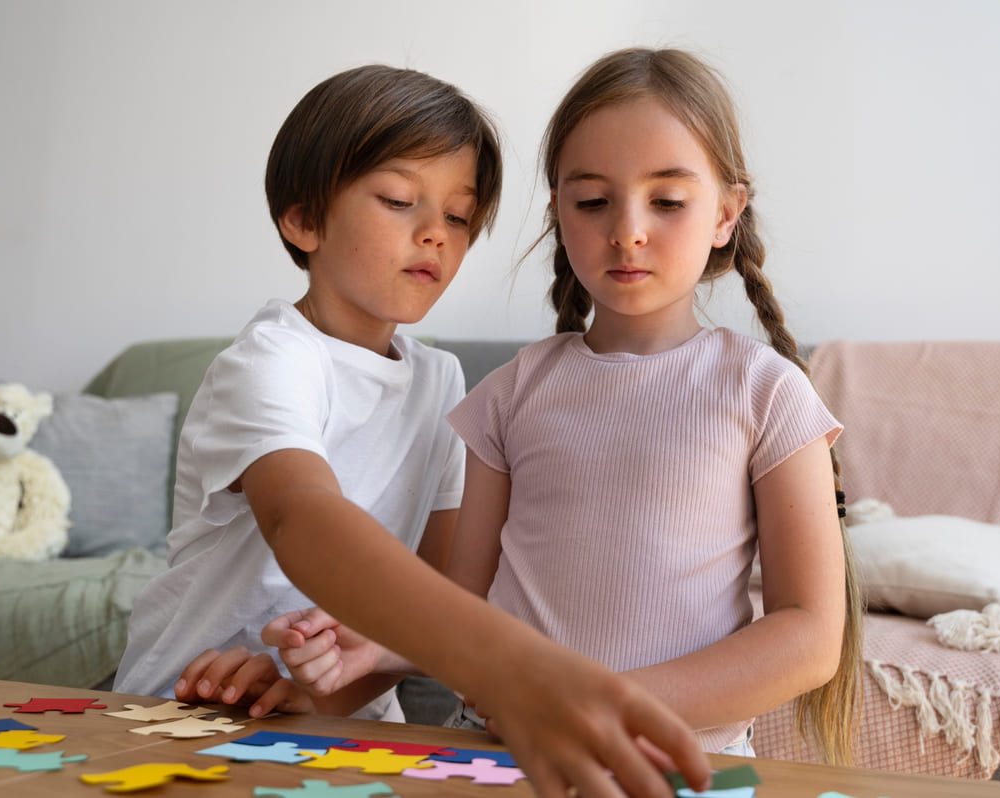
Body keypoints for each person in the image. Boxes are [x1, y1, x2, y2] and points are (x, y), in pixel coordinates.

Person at [114, 62, 713, 798]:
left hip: (340, 720)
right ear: (303, 219)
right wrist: (508, 660)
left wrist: (323, 690)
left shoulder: (439, 380)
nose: (434, 234)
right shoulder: (269, 361)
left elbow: (444, 581)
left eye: (458, 217)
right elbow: (303, 517)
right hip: (190, 709)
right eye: (399, 200)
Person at [265, 47, 865, 766]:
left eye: (667, 201)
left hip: (679, 769)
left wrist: (594, 700)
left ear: (725, 214)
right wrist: (370, 645)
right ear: (557, 214)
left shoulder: (765, 391)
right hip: (500, 759)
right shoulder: (511, 395)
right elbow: (465, 601)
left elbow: (808, 637)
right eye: (592, 202)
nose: (627, 230)